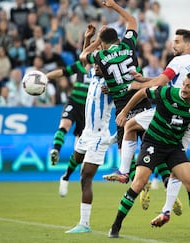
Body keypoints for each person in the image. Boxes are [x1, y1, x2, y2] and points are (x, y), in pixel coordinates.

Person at [109, 72, 190, 238]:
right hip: (153, 143)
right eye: (184, 84)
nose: (184, 89)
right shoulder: (167, 93)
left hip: (173, 147)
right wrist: (124, 112)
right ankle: (115, 227)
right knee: (138, 183)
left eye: (189, 86)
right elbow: (143, 92)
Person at [103, 28, 190, 216]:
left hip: (169, 110)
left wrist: (135, 86)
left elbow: (161, 84)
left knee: (130, 125)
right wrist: (145, 79)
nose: (173, 45)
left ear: (187, 44)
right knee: (177, 163)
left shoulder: (178, 61)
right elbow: (169, 81)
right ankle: (166, 209)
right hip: (187, 119)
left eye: (177, 42)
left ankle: (124, 171)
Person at [79, 0, 151, 162]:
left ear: (103, 44)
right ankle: (162, 177)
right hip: (141, 99)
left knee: (124, 150)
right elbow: (132, 20)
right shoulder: (127, 45)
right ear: (117, 38)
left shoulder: (101, 56)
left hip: (122, 107)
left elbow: (83, 56)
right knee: (149, 145)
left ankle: (129, 177)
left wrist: (96, 41)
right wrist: (114, 6)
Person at [65, 63, 115, 233]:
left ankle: (84, 224)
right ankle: (64, 178)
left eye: (98, 65)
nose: (95, 66)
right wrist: (89, 38)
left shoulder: (111, 84)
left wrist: (115, 91)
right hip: (87, 133)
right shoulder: (94, 77)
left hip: (98, 137)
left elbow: (124, 94)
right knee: (76, 158)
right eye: (94, 64)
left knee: (85, 178)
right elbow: (84, 56)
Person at [47, 25, 96, 197]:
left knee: (79, 153)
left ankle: (65, 177)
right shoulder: (80, 66)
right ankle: (55, 150)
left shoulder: (102, 70)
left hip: (88, 111)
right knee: (64, 125)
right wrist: (44, 78)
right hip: (74, 102)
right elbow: (61, 72)